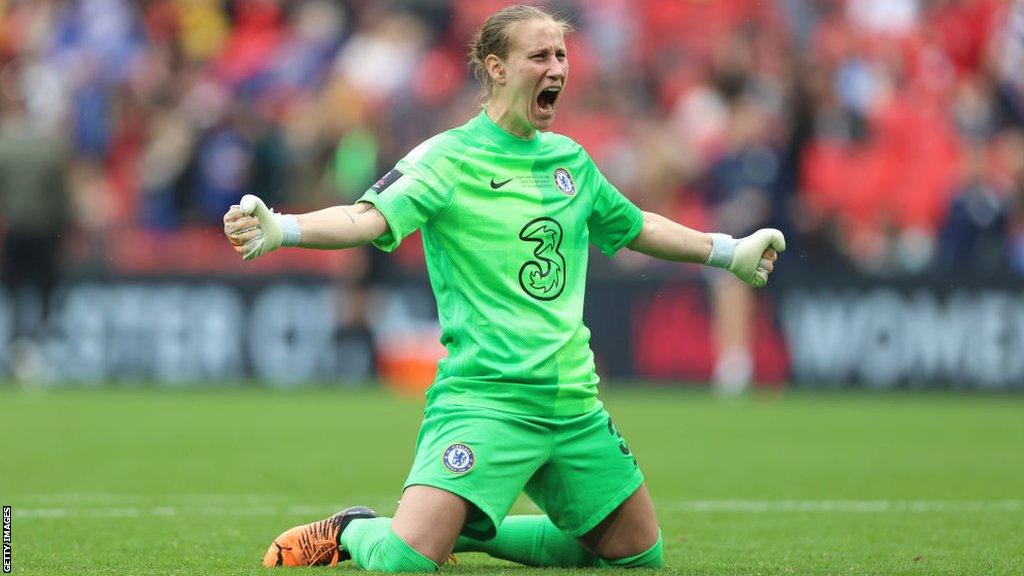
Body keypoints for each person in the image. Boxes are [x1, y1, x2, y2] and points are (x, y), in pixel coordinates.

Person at [223, 5, 784, 572]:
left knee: (638, 556)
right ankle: (360, 530)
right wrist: (283, 228)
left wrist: (727, 251)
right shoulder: (448, 158)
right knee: (404, 562)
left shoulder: (572, 162)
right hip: (486, 398)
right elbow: (365, 218)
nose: (556, 68)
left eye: (561, 55)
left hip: (571, 404)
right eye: (539, 56)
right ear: (495, 67)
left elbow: (637, 226)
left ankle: (465, 535)